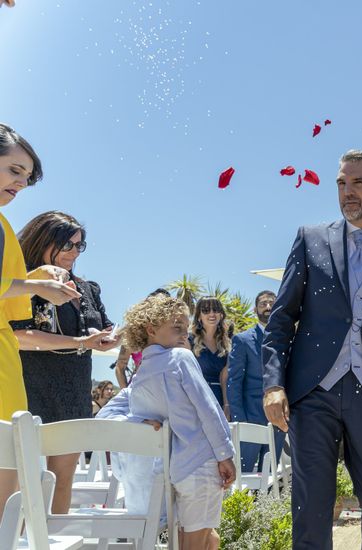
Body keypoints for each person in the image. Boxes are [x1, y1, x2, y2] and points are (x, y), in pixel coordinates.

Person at [262, 150, 362, 550]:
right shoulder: (309, 240)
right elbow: (281, 319)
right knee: (312, 501)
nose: (347, 192)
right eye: (341, 183)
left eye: (358, 183)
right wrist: (272, 385)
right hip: (312, 392)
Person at [98, 295, 236, 550]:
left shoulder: (140, 377)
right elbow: (209, 409)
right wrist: (225, 454)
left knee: (202, 538)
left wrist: (137, 422)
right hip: (202, 461)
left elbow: (104, 416)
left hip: (174, 468)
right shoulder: (180, 359)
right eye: (177, 328)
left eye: (186, 329)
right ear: (151, 330)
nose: (185, 335)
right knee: (200, 540)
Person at [12, 211, 121, 513]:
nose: (73, 252)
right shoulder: (27, 284)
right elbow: (19, 335)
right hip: (30, 386)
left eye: (79, 246)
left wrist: (110, 338)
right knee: (25, 481)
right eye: (66, 245)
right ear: (43, 241)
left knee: (63, 478)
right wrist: (79, 343)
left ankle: (52, 541)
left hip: (74, 389)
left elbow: (102, 329)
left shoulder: (88, 288)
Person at [0, 123, 82, 522]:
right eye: (15, 170)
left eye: (26, 177)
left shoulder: (2, 225)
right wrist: (35, 286)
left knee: (8, 477)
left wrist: (32, 283)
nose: (21, 184)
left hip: (6, 362)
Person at [227, 290, 285, 472]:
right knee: (243, 477)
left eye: (271, 303)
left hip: (278, 420)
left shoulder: (286, 340)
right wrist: (240, 421)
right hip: (249, 420)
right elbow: (234, 382)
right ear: (255, 309)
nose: (268, 307)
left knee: (270, 478)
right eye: (263, 304)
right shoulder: (242, 340)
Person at [114, 288, 172, 389]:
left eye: (164, 304)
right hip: (138, 389)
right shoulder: (133, 332)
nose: (159, 307)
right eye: (155, 303)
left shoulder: (175, 332)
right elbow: (120, 366)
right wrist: (126, 393)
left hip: (167, 390)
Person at [189, 296, 230, 411]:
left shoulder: (228, 344)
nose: (212, 314)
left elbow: (226, 378)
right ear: (199, 316)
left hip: (220, 399)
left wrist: (227, 405)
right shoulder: (188, 341)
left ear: (221, 315)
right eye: (206, 310)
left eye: (216, 310)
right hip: (196, 399)